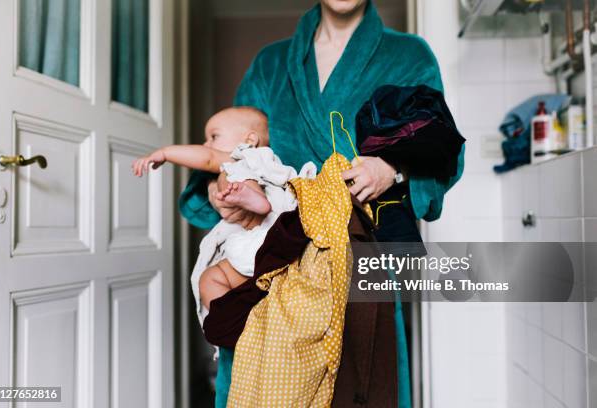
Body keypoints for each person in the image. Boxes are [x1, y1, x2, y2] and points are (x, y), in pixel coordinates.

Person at [180, 1, 465, 406]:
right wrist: (218, 190)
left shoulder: (408, 56)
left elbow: (444, 154)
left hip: (359, 256)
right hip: (272, 256)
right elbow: (231, 152)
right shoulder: (271, 64)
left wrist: (391, 169)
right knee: (262, 387)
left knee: (360, 386)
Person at [133, 106, 314, 321]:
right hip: (256, 247)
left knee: (231, 172)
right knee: (208, 278)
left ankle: (253, 196)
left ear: (250, 140)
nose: (206, 144)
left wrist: (165, 153)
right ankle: (240, 321)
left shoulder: (245, 157)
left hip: (270, 223)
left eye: (214, 136)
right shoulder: (266, 165)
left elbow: (208, 158)